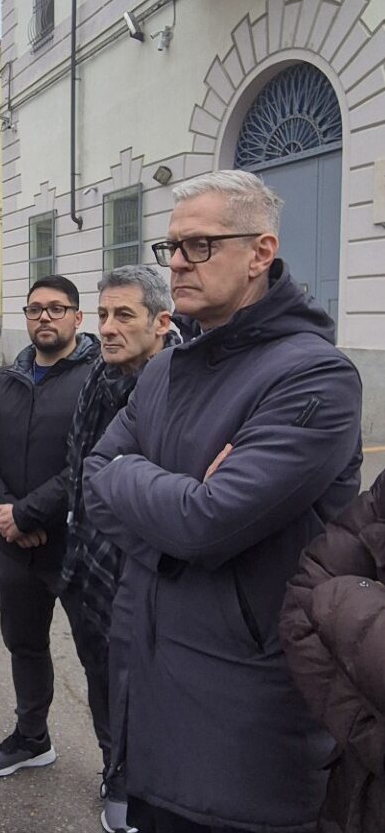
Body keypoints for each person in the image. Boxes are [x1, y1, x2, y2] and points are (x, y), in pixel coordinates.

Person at [82, 170, 363, 832]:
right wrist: (171, 498)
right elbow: (94, 479)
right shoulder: (163, 368)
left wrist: (146, 486)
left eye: (199, 246)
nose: (177, 262)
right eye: (172, 247)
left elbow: (206, 524)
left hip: (241, 720)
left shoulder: (312, 374)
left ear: (260, 253)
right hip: (147, 691)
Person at [0, 275, 98, 777]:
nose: (44, 317)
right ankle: (32, 738)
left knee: (98, 657)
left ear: (77, 318)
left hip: (79, 547)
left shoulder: (98, 379)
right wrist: (7, 517)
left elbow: (89, 460)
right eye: (35, 308)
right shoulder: (4, 381)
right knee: (24, 645)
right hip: (16, 548)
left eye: (56, 308)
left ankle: (119, 772)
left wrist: (28, 513)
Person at [60, 265, 174, 833]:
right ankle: (114, 767)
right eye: (102, 315)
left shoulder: (177, 390)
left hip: (143, 573)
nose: (107, 327)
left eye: (123, 315)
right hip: (86, 565)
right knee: (100, 676)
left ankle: (140, 783)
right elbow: (80, 470)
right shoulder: (97, 379)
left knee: (144, 689)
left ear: (161, 323)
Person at [280, 468, 385, 833]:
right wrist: (367, 727)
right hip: (351, 800)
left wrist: (348, 601)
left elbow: (205, 514)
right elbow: (306, 597)